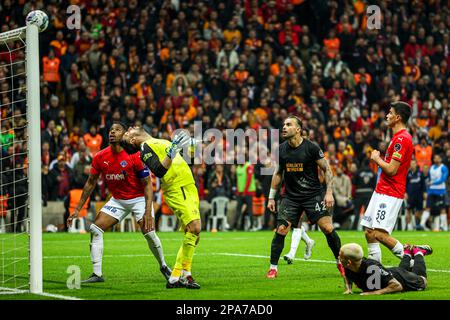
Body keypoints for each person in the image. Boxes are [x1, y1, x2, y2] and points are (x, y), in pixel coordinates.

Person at [67, 122, 171, 283]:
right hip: (118, 200)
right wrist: (77, 208)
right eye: (110, 130)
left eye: (117, 130)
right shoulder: (100, 157)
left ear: (124, 135)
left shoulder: (135, 155)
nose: (112, 132)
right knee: (95, 228)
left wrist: (148, 210)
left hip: (139, 199)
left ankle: (164, 266)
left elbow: (147, 185)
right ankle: (97, 274)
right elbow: (90, 183)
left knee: (149, 232)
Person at [120, 126, 202, 289]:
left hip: (188, 184)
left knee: (193, 234)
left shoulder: (157, 141)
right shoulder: (144, 148)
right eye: (128, 133)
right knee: (194, 228)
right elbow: (158, 170)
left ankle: (181, 276)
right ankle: (180, 276)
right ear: (133, 140)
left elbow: (177, 157)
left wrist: (189, 147)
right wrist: (173, 149)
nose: (130, 128)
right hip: (177, 187)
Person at [266, 116, 344, 279]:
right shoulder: (280, 149)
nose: (284, 127)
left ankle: (340, 262)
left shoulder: (311, 148)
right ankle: (273, 268)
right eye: (283, 125)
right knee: (281, 230)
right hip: (291, 197)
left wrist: (329, 192)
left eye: (288, 125)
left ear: (298, 130)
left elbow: (327, 169)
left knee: (328, 228)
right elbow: (278, 173)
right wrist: (271, 197)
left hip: (312, 195)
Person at [361, 101, 413, 263]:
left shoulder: (402, 140)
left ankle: (411, 258)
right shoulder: (397, 137)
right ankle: (374, 274)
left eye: (390, 113)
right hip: (381, 190)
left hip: (390, 192)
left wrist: (377, 159)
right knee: (369, 231)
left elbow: (391, 169)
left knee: (379, 234)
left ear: (398, 117)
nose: (387, 115)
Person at [340, 242, 432, 295]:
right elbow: (347, 275)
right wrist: (349, 289)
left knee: (422, 280)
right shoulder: (350, 266)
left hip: (404, 280)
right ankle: (407, 253)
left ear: (349, 262)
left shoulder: (372, 268)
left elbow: (397, 286)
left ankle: (418, 252)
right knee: (402, 271)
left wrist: (373, 293)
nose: (338, 257)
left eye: (340, 255)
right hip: (394, 272)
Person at [427, 154, 448, 231]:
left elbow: (443, 179)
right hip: (431, 190)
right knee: (428, 208)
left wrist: (433, 183)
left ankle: (443, 226)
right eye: (435, 158)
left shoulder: (443, 168)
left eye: (438, 158)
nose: (436, 159)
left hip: (440, 190)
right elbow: (429, 179)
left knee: (442, 209)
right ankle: (423, 225)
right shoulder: (431, 167)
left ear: (440, 159)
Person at [405, 159, 427, 230]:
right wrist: (405, 193)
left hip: (419, 195)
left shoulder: (420, 173)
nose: (412, 165)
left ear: (416, 164)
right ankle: (409, 227)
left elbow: (423, 184)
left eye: (414, 163)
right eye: (411, 163)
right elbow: (405, 184)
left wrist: (424, 192)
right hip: (410, 195)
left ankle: (419, 225)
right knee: (408, 210)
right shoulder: (408, 173)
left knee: (419, 211)